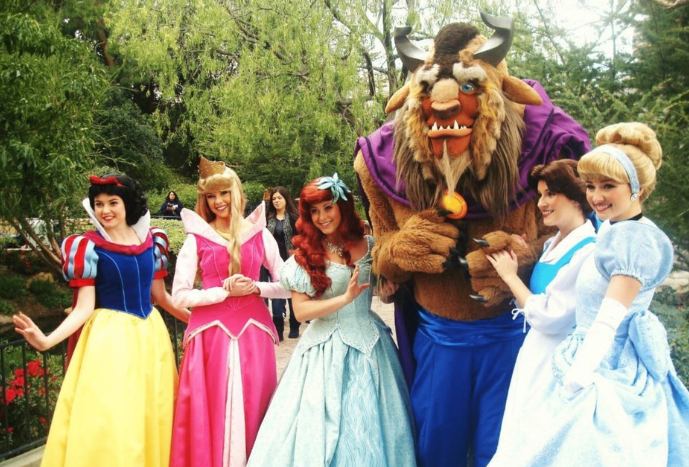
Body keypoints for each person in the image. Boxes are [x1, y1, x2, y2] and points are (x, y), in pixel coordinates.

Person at [488, 122, 689, 467]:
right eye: (592, 185)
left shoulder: (634, 239)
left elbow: (608, 319)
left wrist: (578, 378)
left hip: (604, 368)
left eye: (608, 186)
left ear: (637, 189)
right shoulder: (613, 228)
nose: (596, 196)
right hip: (582, 355)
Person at [13, 174, 188, 467]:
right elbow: (84, 308)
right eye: (99, 203)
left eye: (112, 202)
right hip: (110, 342)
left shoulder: (153, 241)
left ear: (127, 204)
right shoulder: (88, 247)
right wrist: (46, 341)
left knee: (151, 413)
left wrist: (196, 322)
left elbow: (161, 296)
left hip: (150, 339)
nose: (105, 210)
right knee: (113, 418)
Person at [247, 174, 416, 467]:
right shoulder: (305, 255)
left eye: (328, 207)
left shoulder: (371, 245)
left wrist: (387, 292)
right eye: (314, 211)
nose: (322, 217)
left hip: (371, 345)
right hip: (323, 350)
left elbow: (379, 294)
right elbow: (301, 312)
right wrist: (344, 299)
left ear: (342, 206)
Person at [170, 157, 291, 467]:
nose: (218, 201)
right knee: (212, 407)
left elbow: (289, 286)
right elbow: (179, 296)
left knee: (254, 403)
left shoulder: (259, 234)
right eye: (211, 196)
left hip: (254, 335)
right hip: (210, 338)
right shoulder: (197, 238)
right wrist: (222, 292)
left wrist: (255, 288)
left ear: (236, 192)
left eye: (223, 193)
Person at [485, 159, 596, 443]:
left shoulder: (587, 252)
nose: (541, 203)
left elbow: (550, 316)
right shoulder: (552, 244)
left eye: (550, 194)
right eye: (540, 195)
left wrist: (510, 276)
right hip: (535, 354)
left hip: (558, 361)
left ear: (576, 197)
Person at [265, 186, 301, 340]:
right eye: (274, 199)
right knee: (276, 296)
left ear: (286, 199)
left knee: (293, 294)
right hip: (273, 261)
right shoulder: (268, 218)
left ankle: (295, 325)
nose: (276, 201)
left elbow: (302, 238)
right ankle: (278, 329)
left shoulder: (294, 217)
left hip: (291, 261)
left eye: (279, 198)